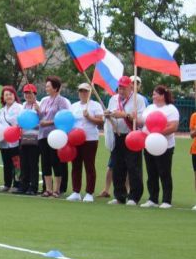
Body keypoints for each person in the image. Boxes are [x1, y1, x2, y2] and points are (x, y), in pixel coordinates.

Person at [105, 76, 146, 206]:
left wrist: (125, 115)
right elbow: (110, 112)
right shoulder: (113, 99)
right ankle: (119, 196)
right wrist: (107, 114)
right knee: (117, 166)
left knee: (133, 167)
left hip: (132, 135)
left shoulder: (138, 99)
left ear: (130, 86)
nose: (121, 90)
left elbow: (141, 119)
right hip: (118, 134)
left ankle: (134, 196)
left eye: (123, 87)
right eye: (119, 87)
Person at [139, 85, 179, 209]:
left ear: (162, 96)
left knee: (164, 172)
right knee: (151, 172)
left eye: (155, 94)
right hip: (149, 144)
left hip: (165, 146)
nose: (153, 96)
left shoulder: (171, 109)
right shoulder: (150, 107)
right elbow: (142, 122)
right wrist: (135, 117)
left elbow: (173, 127)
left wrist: (157, 134)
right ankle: (153, 198)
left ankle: (167, 200)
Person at [66, 83, 104, 202]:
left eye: (86, 91)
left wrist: (89, 117)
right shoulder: (73, 106)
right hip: (75, 139)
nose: (83, 93)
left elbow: (101, 122)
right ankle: (76, 191)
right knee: (76, 165)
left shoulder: (95, 105)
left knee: (89, 165)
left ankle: (89, 192)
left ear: (90, 92)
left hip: (90, 139)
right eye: (81, 91)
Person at [38, 76, 70, 198]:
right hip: (43, 135)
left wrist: (49, 122)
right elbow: (41, 116)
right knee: (45, 162)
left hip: (55, 136)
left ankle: (57, 189)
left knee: (55, 161)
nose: (46, 88)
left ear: (55, 88)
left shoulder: (62, 101)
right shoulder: (44, 100)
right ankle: (48, 189)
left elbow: (64, 118)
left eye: (48, 86)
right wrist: (38, 111)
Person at [0, 86, 23, 192]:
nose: (8, 96)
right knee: (6, 163)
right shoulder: (2, 110)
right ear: (3, 97)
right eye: (6, 95)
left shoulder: (19, 107)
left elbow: (21, 123)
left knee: (17, 164)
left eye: (10, 94)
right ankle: (7, 184)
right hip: (3, 141)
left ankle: (17, 184)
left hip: (15, 140)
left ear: (14, 95)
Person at [17, 84, 40, 195]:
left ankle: (33, 186)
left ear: (34, 94)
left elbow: (43, 120)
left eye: (30, 93)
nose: (27, 95)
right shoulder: (23, 106)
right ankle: (23, 185)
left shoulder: (38, 105)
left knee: (33, 163)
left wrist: (38, 113)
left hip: (35, 138)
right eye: (25, 93)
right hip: (24, 138)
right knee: (24, 163)